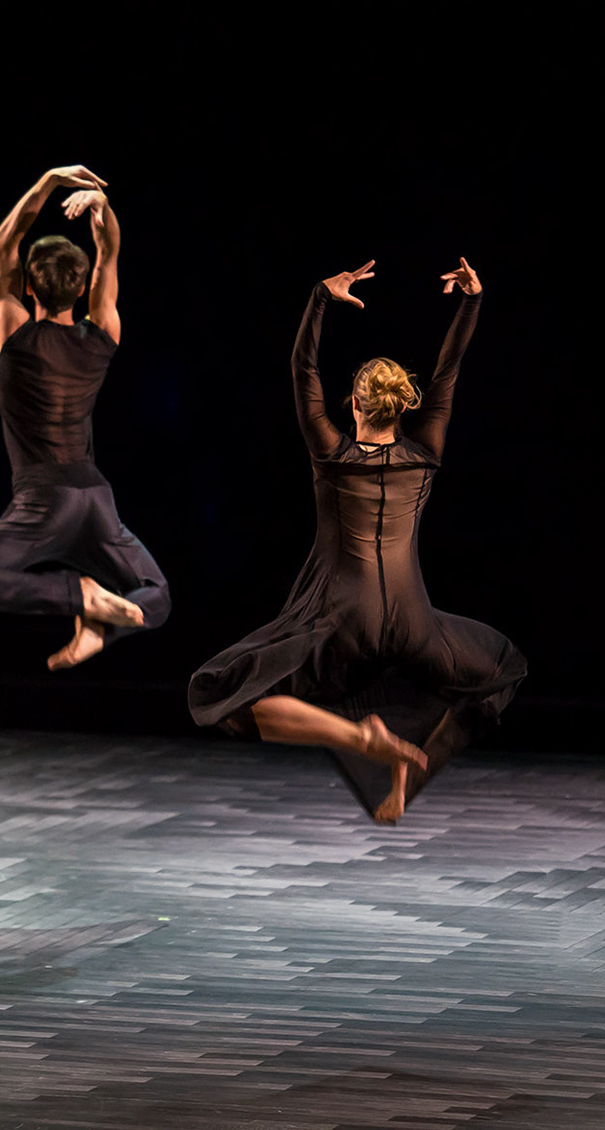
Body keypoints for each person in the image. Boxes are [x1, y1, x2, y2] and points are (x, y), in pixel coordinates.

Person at [188, 257, 526, 823]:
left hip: (344, 620)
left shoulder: (332, 454)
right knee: (503, 665)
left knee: (221, 697)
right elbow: (448, 372)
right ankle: (410, 767)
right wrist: (472, 301)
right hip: (417, 625)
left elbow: (302, 370)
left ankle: (362, 739)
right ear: (402, 407)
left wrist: (320, 297)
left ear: (354, 403)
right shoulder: (426, 455)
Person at [0, 166, 171, 670]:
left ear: (27, 288)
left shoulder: (15, 333)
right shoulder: (104, 332)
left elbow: (4, 242)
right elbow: (110, 254)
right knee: (157, 595)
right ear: (83, 287)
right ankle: (99, 629)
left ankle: (80, 597)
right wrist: (101, 208)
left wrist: (46, 183)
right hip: (97, 501)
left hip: (44, 503)